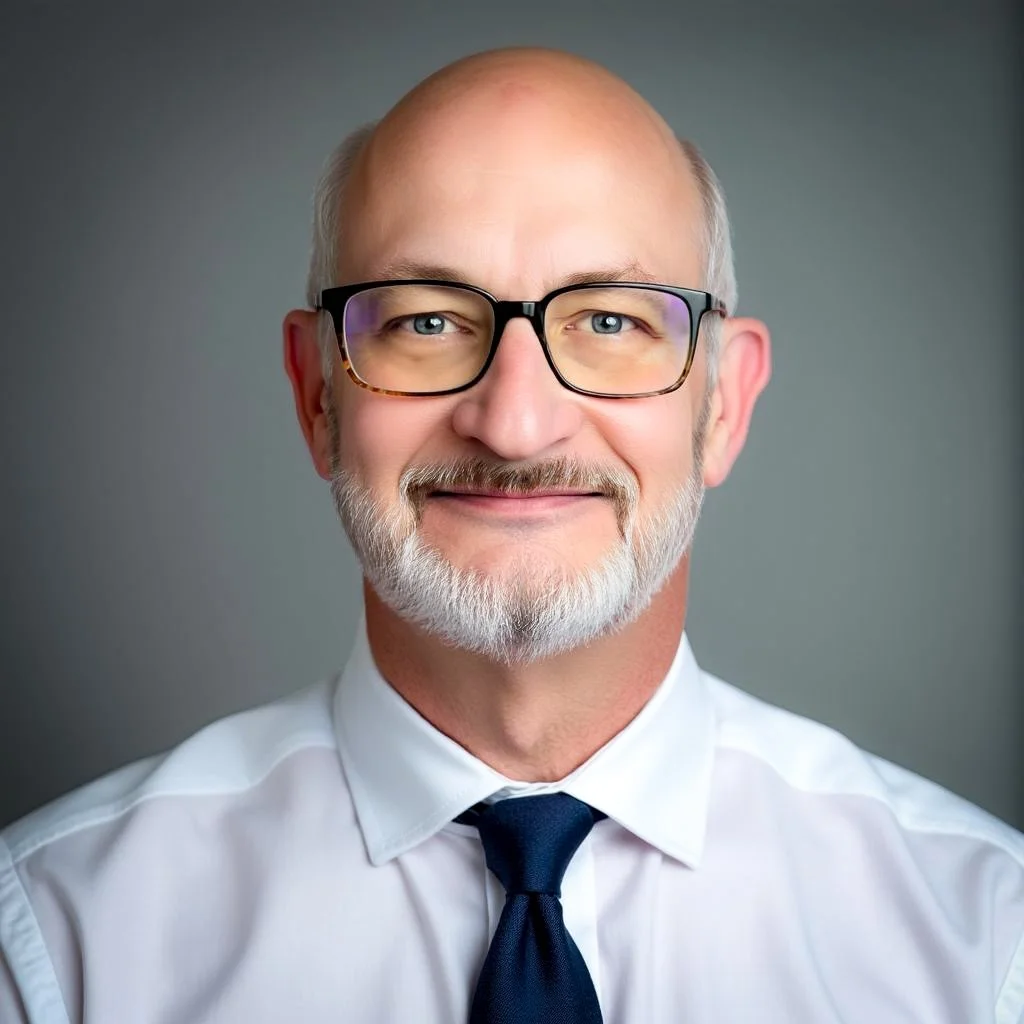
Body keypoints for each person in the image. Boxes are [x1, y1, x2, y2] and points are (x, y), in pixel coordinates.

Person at [1, 46, 1021, 1024]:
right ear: (316, 393)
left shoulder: (987, 946)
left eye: (611, 321)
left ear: (723, 404)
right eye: (426, 321)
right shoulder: (57, 942)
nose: (516, 423)